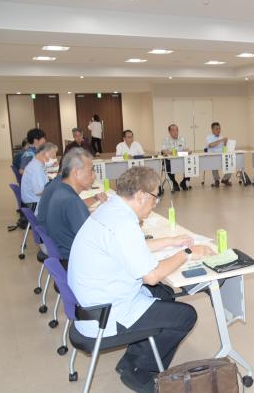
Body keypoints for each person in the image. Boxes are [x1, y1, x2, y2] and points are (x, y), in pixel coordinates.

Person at [68, 166, 214, 392]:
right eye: (155, 197)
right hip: (106, 315)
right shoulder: (124, 224)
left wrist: (171, 241)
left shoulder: (111, 209)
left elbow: (131, 247)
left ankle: (133, 359)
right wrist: (187, 253)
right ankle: (139, 371)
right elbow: (152, 276)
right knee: (185, 316)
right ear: (141, 195)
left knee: (165, 294)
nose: (155, 203)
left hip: (91, 303)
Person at [46, 148, 107, 264]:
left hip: (67, 256)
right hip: (78, 261)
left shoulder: (61, 190)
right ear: (76, 172)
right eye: (91, 171)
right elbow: (94, 240)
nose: (94, 176)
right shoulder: (71, 201)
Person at [20, 142, 57, 208]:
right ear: (44, 154)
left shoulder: (36, 163)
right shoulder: (37, 168)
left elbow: (44, 180)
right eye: (53, 156)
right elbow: (39, 191)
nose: (55, 159)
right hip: (35, 205)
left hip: (32, 201)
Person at [161, 124, 190, 191]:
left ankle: (184, 182)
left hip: (182, 160)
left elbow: (187, 149)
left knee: (190, 164)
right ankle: (174, 182)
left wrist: (187, 151)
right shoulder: (166, 140)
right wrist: (172, 153)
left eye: (177, 130)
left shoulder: (182, 138)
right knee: (167, 165)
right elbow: (163, 151)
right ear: (169, 132)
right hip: (170, 160)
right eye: (173, 130)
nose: (176, 132)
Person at [206, 122, 232, 187]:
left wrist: (225, 143)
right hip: (213, 156)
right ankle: (216, 180)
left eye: (219, 129)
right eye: (217, 129)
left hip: (222, 155)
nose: (219, 130)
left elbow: (224, 149)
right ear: (212, 130)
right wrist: (221, 140)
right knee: (214, 163)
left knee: (230, 161)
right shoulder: (209, 137)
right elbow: (211, 145)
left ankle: (225, 179)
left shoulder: (221, 137)